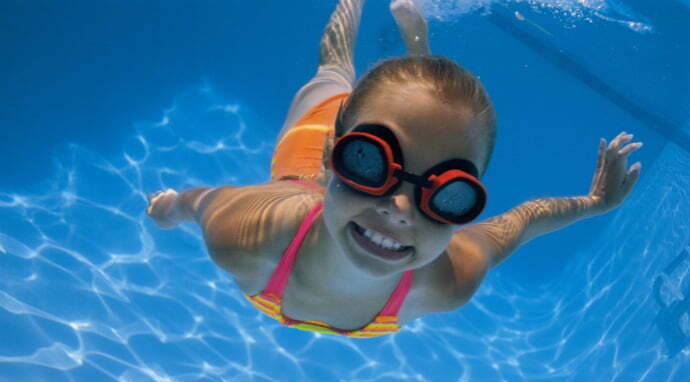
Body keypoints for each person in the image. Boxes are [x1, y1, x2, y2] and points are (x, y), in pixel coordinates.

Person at [146, 0, 643, 338]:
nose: (401, 210)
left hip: (349, 137)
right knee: (333, 70)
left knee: (418, 110)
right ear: (333, 154)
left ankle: (415, 57)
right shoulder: (249, 234)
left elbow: (524, 220)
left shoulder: (448, 280)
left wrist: (596, 204)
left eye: (446, 194)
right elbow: (200, 201)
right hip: (302, 156)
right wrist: (170, 207)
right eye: (367, 161)